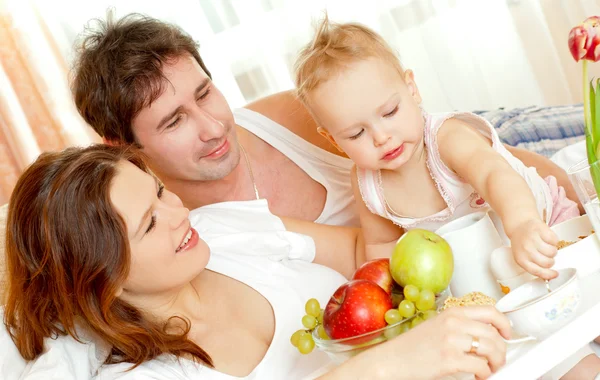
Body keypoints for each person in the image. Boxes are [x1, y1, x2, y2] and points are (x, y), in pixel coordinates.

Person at [3, 144, 512, 379]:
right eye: (150, 224)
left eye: (160, 192)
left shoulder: (224, 231)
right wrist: (391, 364)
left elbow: (371, 256)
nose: (178, 212)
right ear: (103, 281)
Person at [70, 13, 579, 232]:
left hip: (475, 153)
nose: (213, 127)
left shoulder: (286, 116)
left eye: (206, 93)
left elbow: (479, 154)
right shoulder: (176, 229)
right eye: (175, 120)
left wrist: (576, 205)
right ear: (127, 148)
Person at [292, 17, 581, 282]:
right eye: (357, 133)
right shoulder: (367, 183)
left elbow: (495, 175)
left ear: (412, 89)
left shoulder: (446, 137)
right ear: (333, 141)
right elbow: (382, 244)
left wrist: (522, 224)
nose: (381, 137)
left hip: (545, 224)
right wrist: (393, 290)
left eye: (390, 112)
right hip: (486, 269)